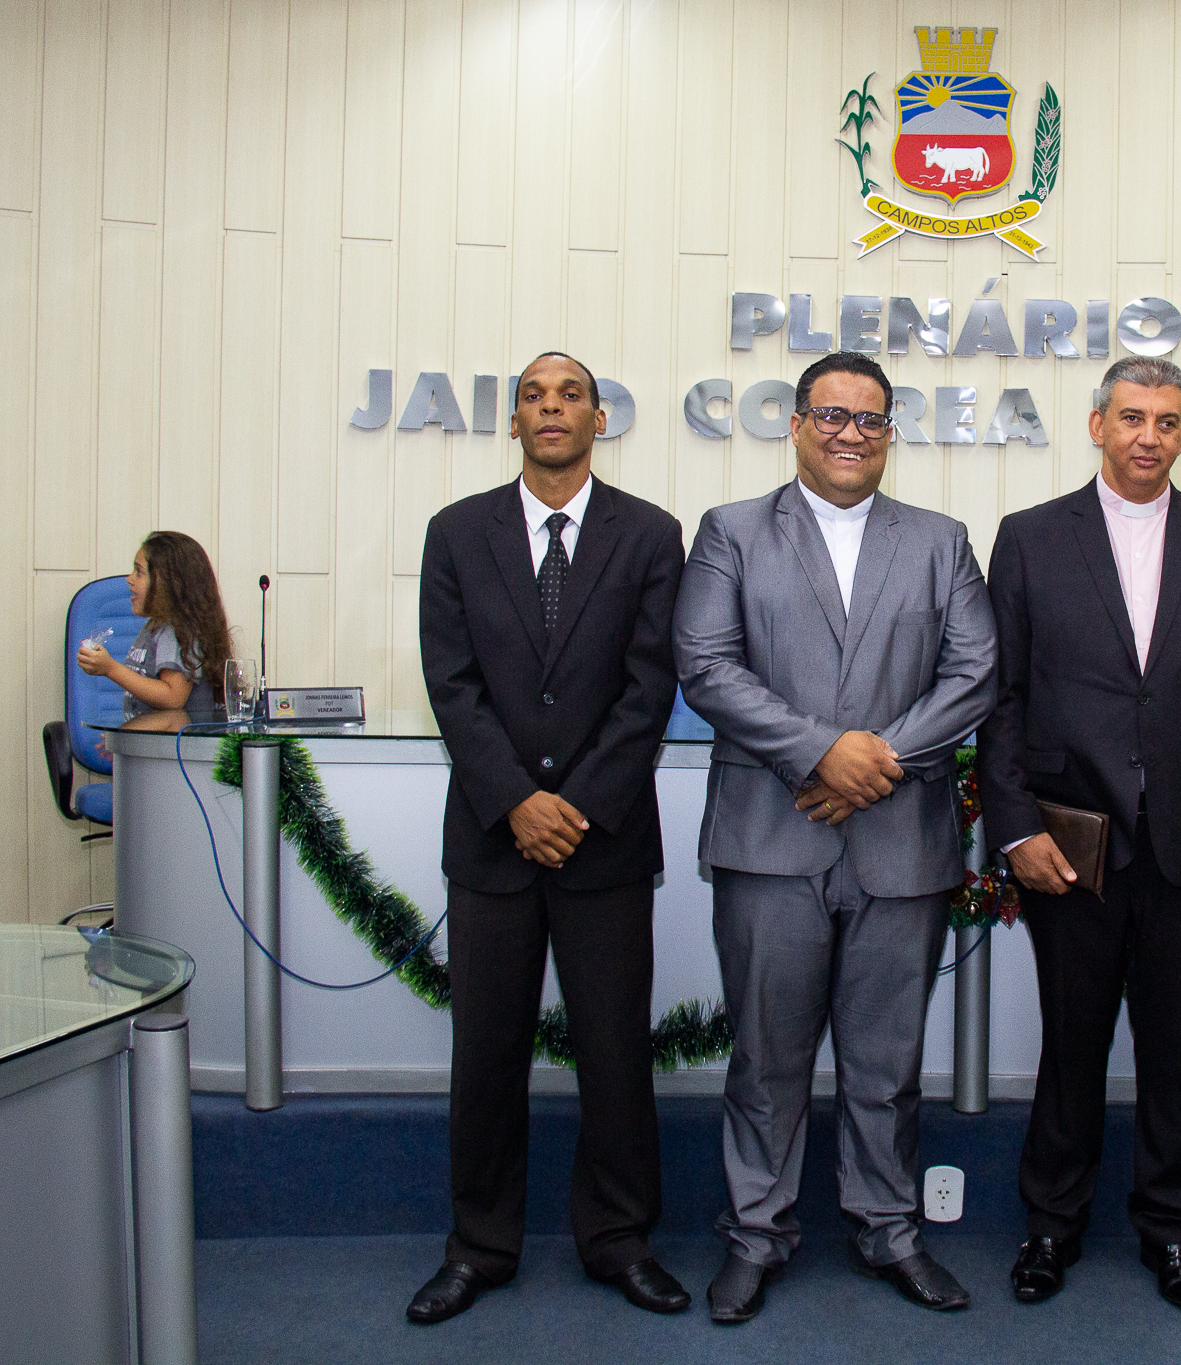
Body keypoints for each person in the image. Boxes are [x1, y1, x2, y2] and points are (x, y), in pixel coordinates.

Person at [672, 351, 996, 1324]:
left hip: (901, 841)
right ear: (797, 424)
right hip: (769, 838)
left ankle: (888, 1228)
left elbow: (975, 674)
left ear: (889, 432)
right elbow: (705, 663)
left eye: (870, 418)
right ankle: (754, 1237)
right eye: (831, 414)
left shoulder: (940, 541)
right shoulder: (731, 532)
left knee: (887, 1065)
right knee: (765, 1060)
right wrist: (820, 752)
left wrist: (873, 761)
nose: (851, 433)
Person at [975, 356, 1181, 1312]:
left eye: (1169, 421)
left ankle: (1171, 1229)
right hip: (1070, 847)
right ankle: (1050, 1224)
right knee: (1071, 1042)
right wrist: (1013, 828)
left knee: (1174, 1046)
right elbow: (1001, 698)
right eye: (1133, 416)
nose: (1150, 435)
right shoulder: (1029, 538)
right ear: (1096, 422)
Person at [408, 351, 690, 1323]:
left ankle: (619, 1240)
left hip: (603, 842)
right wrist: (516, 802)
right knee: (486, 1058)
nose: (551, 407)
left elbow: (649, 686)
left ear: (599, 418)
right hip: (493, 841)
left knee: (614, 1056)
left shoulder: (650, 535)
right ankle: (479, 1248)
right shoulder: (456, 533)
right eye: (534, 395)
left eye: (570, 394)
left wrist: (573, 806)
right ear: (514, 421)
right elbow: (451, 682)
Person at [77, 531, 232, 718]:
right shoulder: (155, 627)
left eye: (139, 572)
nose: (129, 579)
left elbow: (173, 697)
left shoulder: (178, 632)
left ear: (169, 583)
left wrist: (110, 668)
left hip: (175, 737)